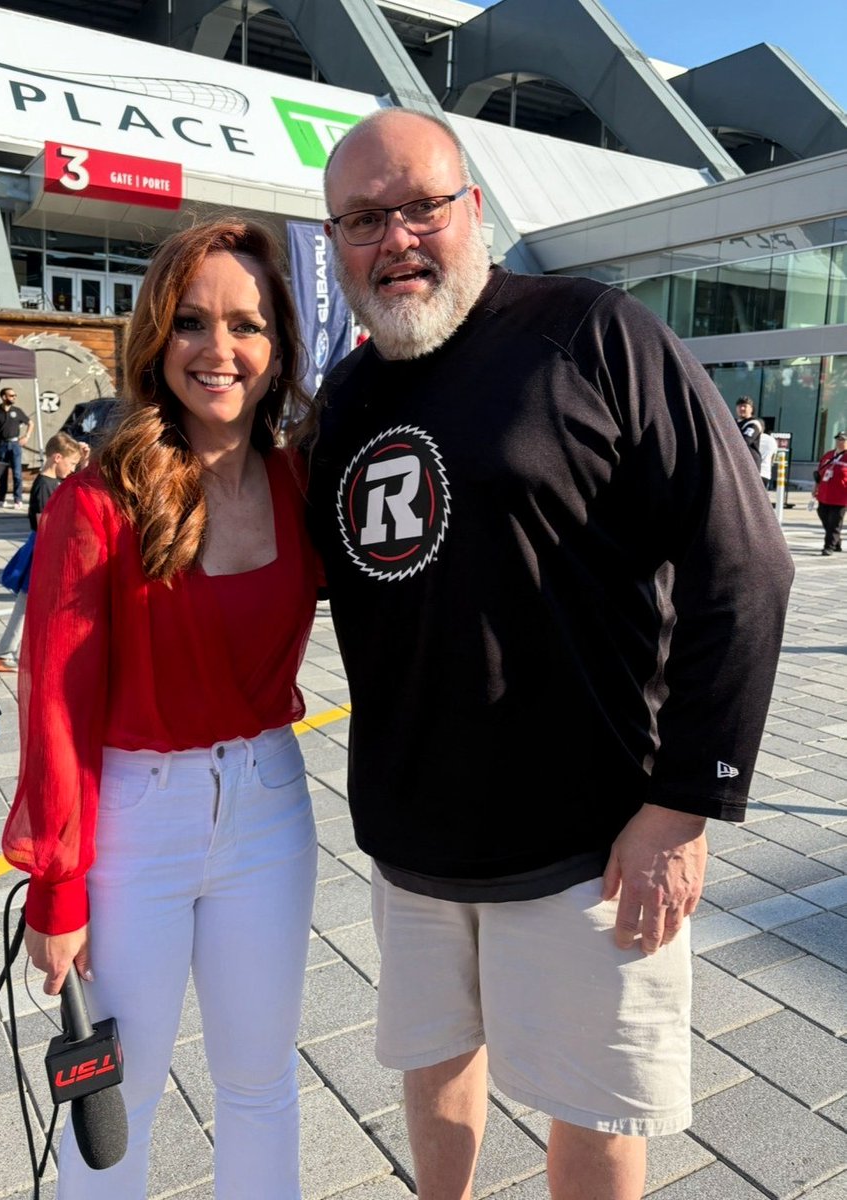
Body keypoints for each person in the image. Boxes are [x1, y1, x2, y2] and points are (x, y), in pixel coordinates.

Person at [305, 109, 794, 1200]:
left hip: (592, 844)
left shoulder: (592, 334)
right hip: (412, 841)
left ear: (472, 207)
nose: (397, 239)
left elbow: (744, 565)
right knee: (431, 1067)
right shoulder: (343, 400)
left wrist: (681, 806)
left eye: (422, 206)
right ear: (334, 241)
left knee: (593, 1109)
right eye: (364, 219)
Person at [1, 219, 321, 1200]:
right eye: (190, 322)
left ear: (278, 348)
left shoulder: (298, 481)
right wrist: (57, 882)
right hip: (136, 819)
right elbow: (54, 692)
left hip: (270, 805)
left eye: (246, 325)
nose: (218, 350)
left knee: (262, 1085)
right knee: (115, 1100)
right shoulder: (98, 498)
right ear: (154, 338)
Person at [0, 432, 81, 673]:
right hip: (43, 549)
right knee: (29, 603)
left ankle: (10, 653)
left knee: (29, 604)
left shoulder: (51, 482)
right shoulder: (43, 486)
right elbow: (44, 524)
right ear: (57, 457)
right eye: (70, 464)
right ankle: (6, 654)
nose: (71, 470)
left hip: (43, 549)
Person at [0, 386, 33, 507]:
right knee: (2, 473)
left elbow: (30, 423)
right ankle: (1, 499)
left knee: (17, 473)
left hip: (15, 444)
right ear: (3, 397)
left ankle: (18, 499)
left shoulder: (17, 411)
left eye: (15, 395)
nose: (14, 397)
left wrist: (26, 436)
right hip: (1, 444)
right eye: (11, 395)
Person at [813, 430, 847, 555]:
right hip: (824, 494)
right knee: (823, 515)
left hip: (841, 496)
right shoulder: (829, 455)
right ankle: (836, 541)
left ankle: (829, 546)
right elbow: (819, 473)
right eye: (838, 439)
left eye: (843, 439)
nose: (840, 441)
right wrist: (815, 487)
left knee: (834, 522)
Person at [734, 396, 763, 469]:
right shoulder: (733, 423)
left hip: (750, 462)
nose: (742, 408)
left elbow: (746, 441)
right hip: (736, 461)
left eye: (745, 406)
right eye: (739, 406)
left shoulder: (754, 423)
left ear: (751, 409)